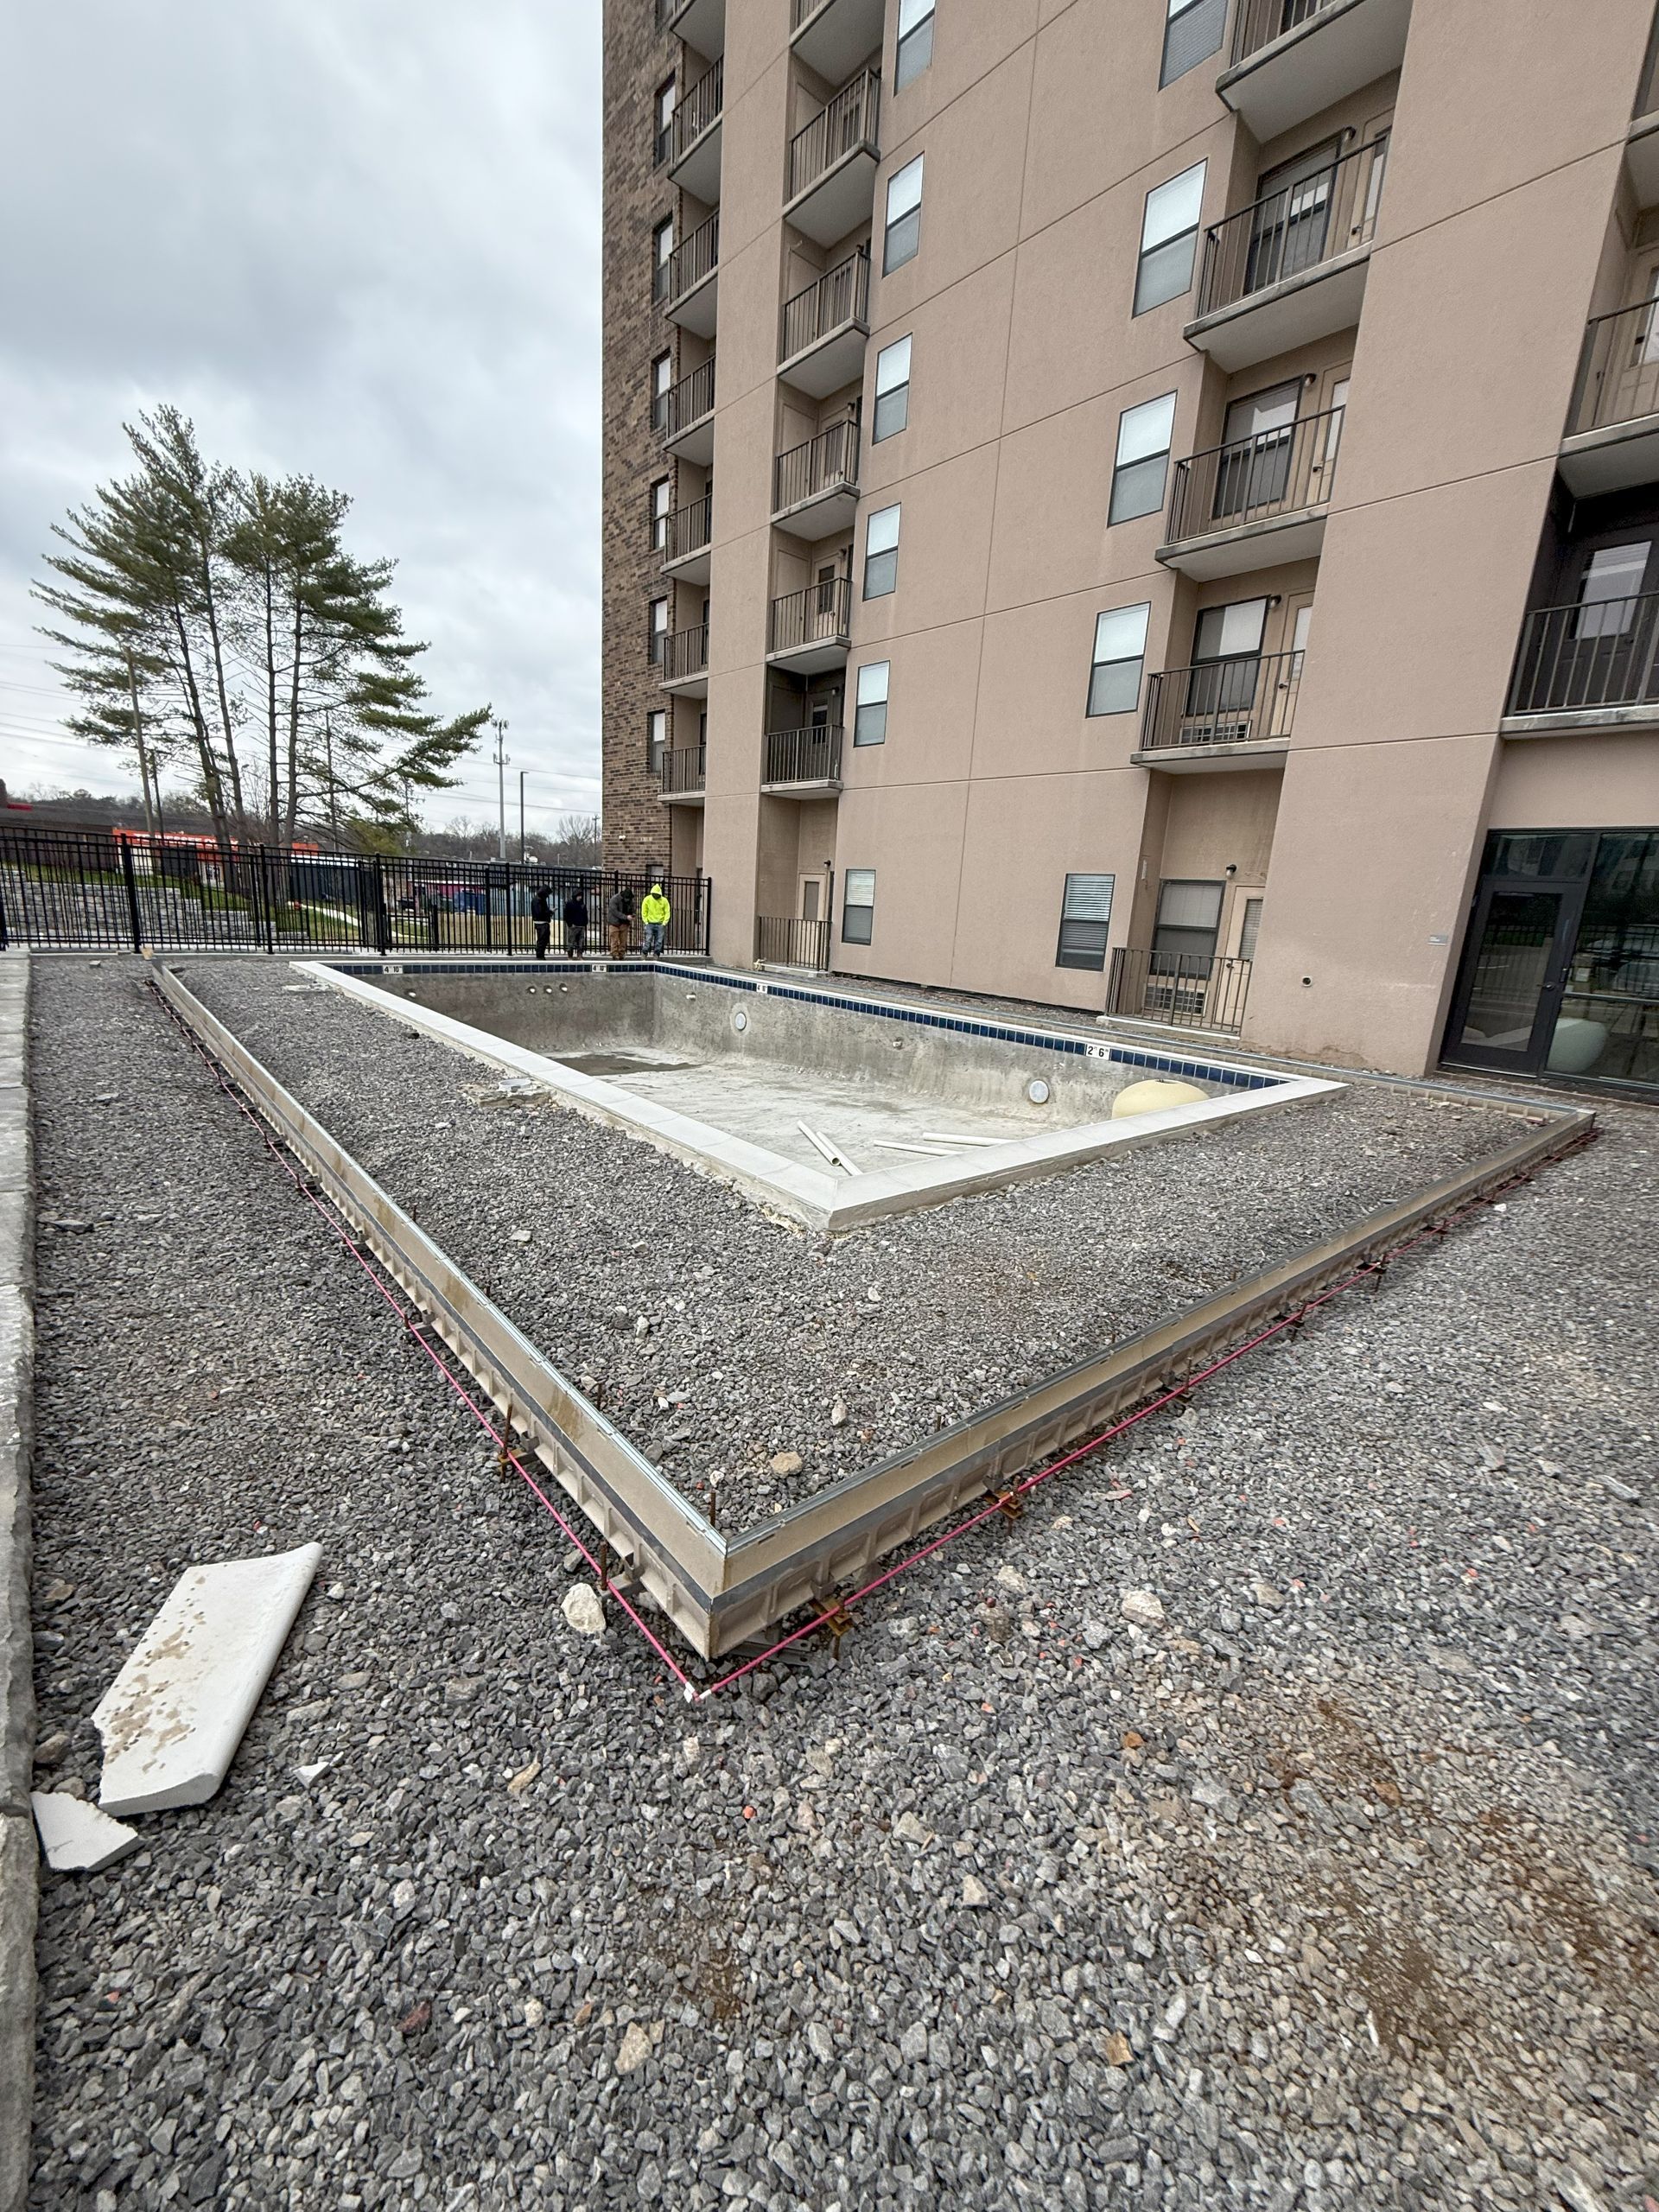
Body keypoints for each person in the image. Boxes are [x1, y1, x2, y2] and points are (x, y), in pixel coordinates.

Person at [640, 880, 671, 957]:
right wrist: (646, 922)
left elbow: (667, 912)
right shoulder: (647, 899)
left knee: (659, 941)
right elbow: (644, 911)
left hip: (660, 923)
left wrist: (664, 923)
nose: (655, 896)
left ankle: (656, 954)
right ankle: (645, 953)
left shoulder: (664, 901)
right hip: (650, 923)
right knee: (648, 939)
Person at [605, 884, 635, 961]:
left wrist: (632, 915)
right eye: (627, 899)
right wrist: (626, 917)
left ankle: (621, 954)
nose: (628, 900)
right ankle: (614, 954)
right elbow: (615, 912)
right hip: (614, 922)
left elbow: (632, 909)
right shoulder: (614, 899)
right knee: (614, 940)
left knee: (623, 940)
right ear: (624, 896)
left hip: (624, 923)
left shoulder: (630, 900)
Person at [562, 885, 589, 960]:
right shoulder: (570, 903)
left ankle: (579, 955)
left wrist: (585, 922)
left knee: (581, 942)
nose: (580, 897)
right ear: (575, 896)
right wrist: (570, 924)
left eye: (581, 896)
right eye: (579, 896)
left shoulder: (582, 904)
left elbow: (585, 914)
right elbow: (566, 915)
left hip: (581, 926)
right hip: (574, 926)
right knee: (571, 942)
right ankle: (570, 956)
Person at [529, 883, 552, 961]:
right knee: (542, 939)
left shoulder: (539, 899)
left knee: (543, 939)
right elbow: (540, 913)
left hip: (541, 923)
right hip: (541, 923)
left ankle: (540, 953)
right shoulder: (538, 900)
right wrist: (549, 912)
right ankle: (540, 954)